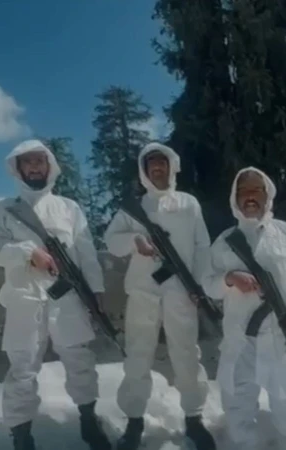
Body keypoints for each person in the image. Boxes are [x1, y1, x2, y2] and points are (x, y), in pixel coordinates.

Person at [0, 139, 111, 450]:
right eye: (28, 161)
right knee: (22, 370)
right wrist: (27, 253)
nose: (34, 166)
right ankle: (21, 436)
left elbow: (86, 253)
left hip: (68, 298)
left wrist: (96, 290)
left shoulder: (69, 208)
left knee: (80, 361)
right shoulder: (3, 211)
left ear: (49, 166)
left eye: (40, 160)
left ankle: (89, 422)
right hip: (24, 299)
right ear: (18, 168)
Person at [103, 142, 215, 450]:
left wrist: (198, 286)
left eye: (161, 162)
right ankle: (134, 421)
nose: (157, 168)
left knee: (187, 355)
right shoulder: (134, 208)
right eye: (151, 163)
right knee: (137, 356)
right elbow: (111, 240)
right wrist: (135, 240)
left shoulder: (189, 203)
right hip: (143, 292)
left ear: (171, 166)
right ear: (144, 170)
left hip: (181, 291)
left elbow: (202, 245)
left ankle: (194, 418)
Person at [201, 167, 286, 450]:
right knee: (238, 412)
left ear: (268, 196)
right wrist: (230, 279)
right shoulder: (225, 241)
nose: (250, 196)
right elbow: (207, 283)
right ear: (235, 197)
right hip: (240, 341)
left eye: (256, 190)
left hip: (282, 339)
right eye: (244, 191)